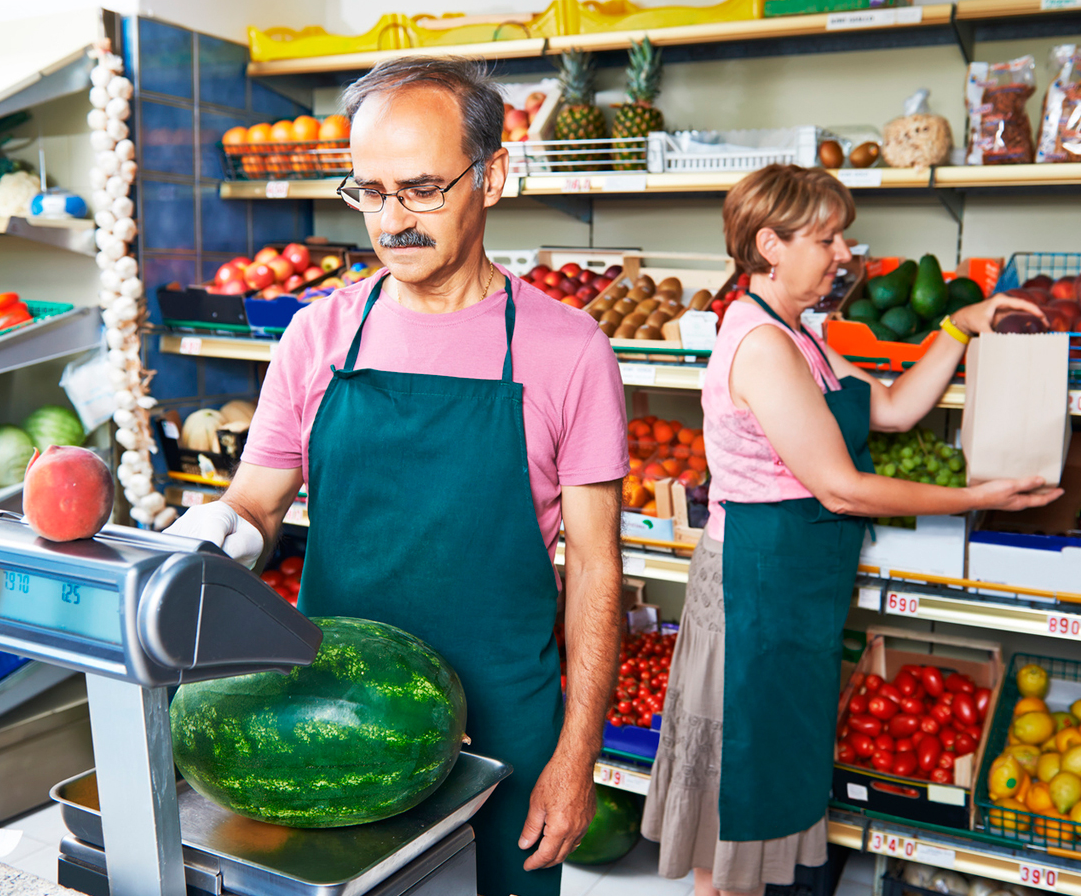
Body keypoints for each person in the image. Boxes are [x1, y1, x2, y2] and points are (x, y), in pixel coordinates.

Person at [166, 57, 629, 896]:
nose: (392, 221)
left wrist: (577, 753)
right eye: (369, 192)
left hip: (505, 725)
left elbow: (596, 568)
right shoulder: (319, 334)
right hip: (328, 714)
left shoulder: (570, 351)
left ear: (490, 176)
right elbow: (258, 503)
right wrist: (218, 533)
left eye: (420, 189)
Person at [642, 163, 1060, 896]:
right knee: (743, 784)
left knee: (766, 770)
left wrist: (958, 325)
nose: (845, 253)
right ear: (771, 245)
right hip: (756, 590)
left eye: (844, 237)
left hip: (794, 590)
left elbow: (895, 408)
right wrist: (975, 497)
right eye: (827, 237)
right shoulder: (762, 345)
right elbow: (841, 488)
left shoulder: (797, 333)